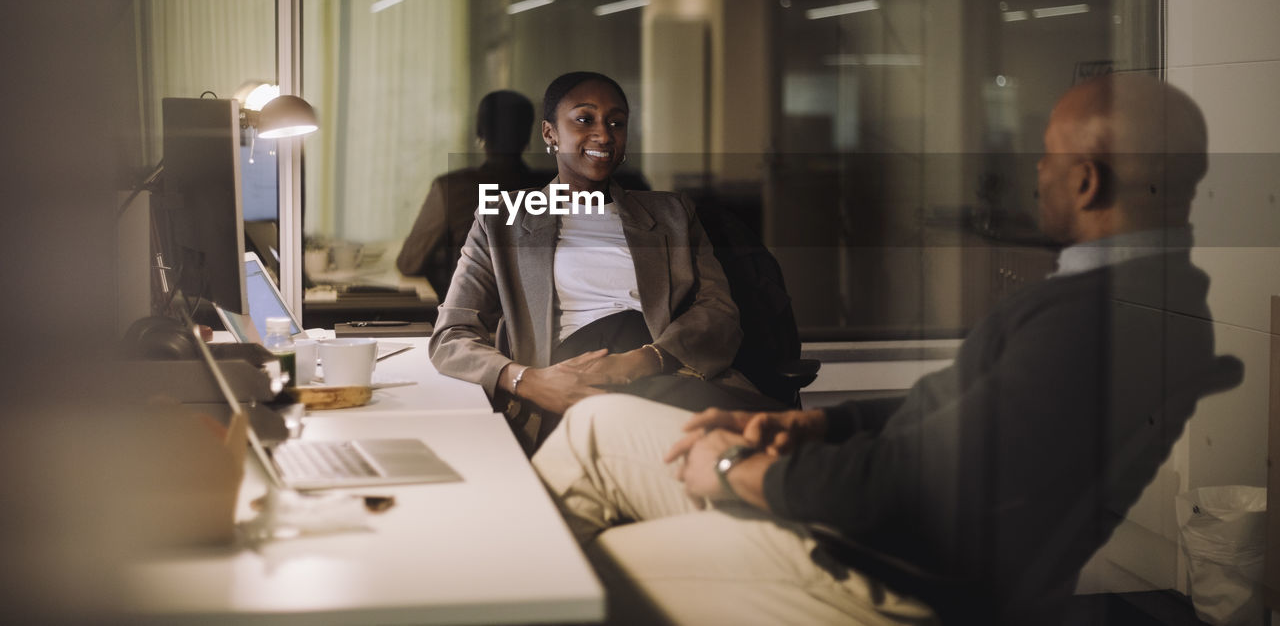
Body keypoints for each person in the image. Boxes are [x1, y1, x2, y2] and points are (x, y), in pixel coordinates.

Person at [531, 74, 1228, 625]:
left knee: (572, 572)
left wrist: (738, 469)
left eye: (1047, 153)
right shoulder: (1134, 298)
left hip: (873, 571)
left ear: (1085, 181)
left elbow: (917, 484)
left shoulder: (1098, 320)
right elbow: (962, 411)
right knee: (594, 423)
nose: (1036, 170)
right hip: (867, 523)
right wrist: (817, 423)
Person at [430, 71, 769, 449]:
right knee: (734, 443)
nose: (604, 135)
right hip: (567, 381)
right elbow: (451, 336)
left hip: (663, 368)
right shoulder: (501, 219)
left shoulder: (672, 213)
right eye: (584, 119)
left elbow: (718, 310)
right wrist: (527, 380)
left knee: (738, 441)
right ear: (549, 134)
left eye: (616, 122)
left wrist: (643, 361)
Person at [396, 90, 547, 299]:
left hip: (473, 320)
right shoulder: (552, 188)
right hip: (540, 323)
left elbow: (409, 262)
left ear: (480, 133)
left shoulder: (451, 188)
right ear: (528, 135)